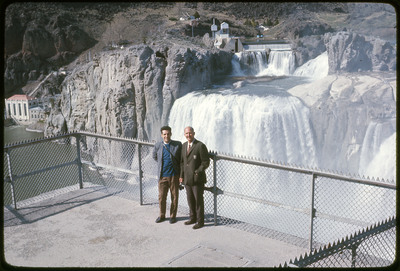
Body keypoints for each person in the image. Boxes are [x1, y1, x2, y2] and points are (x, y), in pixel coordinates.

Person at [179, 126, 210, 229]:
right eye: (186, 134)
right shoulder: (183, 146)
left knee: (198, 201)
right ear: (184, 135)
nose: (188, 135)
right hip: (187, 179)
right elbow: (182, 163)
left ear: (194, 133)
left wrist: (198, 171)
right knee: (190, 199)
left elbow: (206, 162)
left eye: (190, 133)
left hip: (197, 179)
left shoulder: (200, 146)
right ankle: (192, 218)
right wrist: (181, 176)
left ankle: (200, 222)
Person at [152, 126, 182, 224]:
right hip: (162, 176)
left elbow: (181, 160)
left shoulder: (177, 145)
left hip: (174, 176)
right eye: (164, 134)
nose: (166, 136)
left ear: (171, 134)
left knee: (174, 197)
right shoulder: (157, 145)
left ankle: (172, 216)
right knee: (161, 197)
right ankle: (162, 215)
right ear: (161, 135)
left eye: (168, 134)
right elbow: (154, 156)